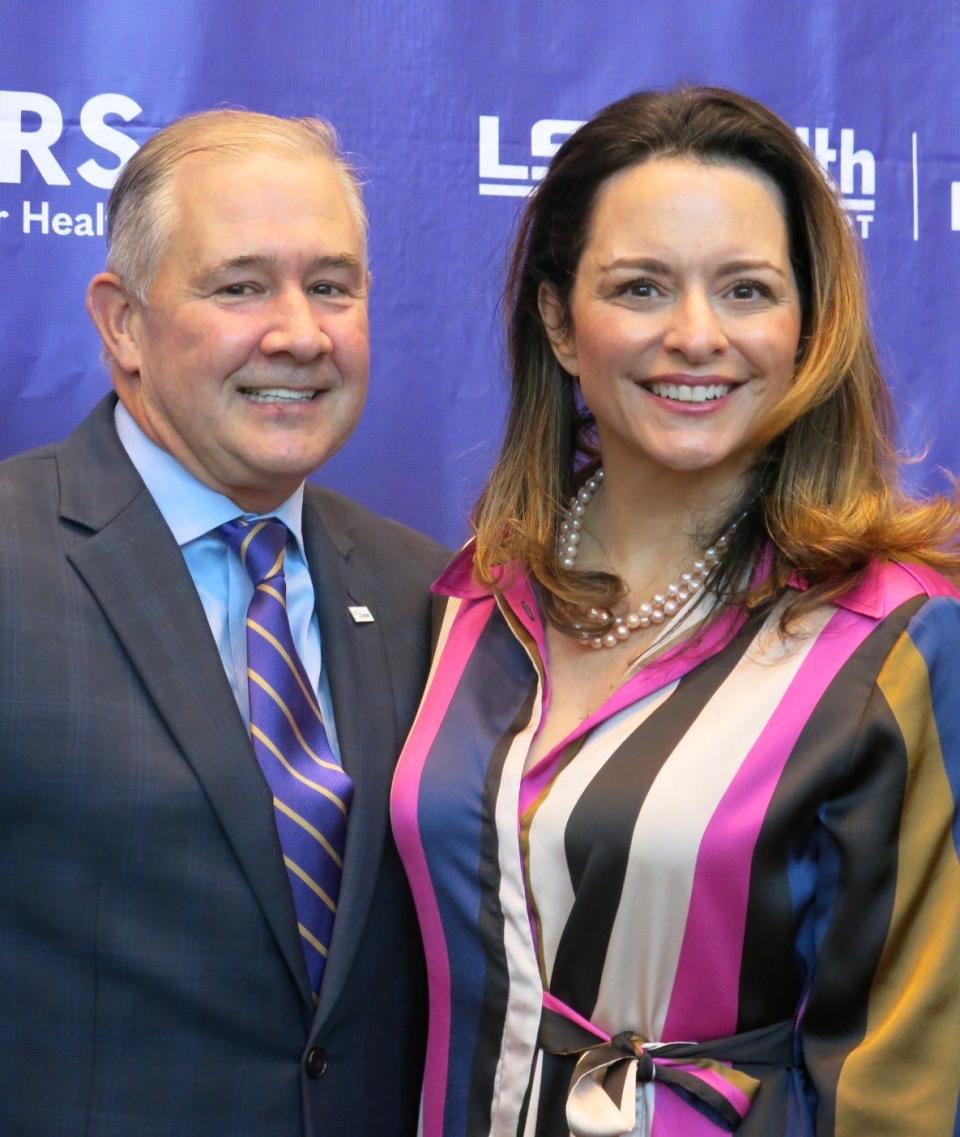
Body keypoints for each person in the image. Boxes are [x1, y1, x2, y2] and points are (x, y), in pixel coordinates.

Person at [391, 87, 960, 1136]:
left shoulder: (898, 638)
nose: (696, 336)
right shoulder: (473, 595)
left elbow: (912, 1074)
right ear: (561, 323)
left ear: (807, 326)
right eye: (641, 287)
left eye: (746, 290)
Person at [0, 109, 446, 1137]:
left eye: (332, 286)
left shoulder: (431, 593)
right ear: (121, 322)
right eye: (241, 285)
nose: (299, 332)